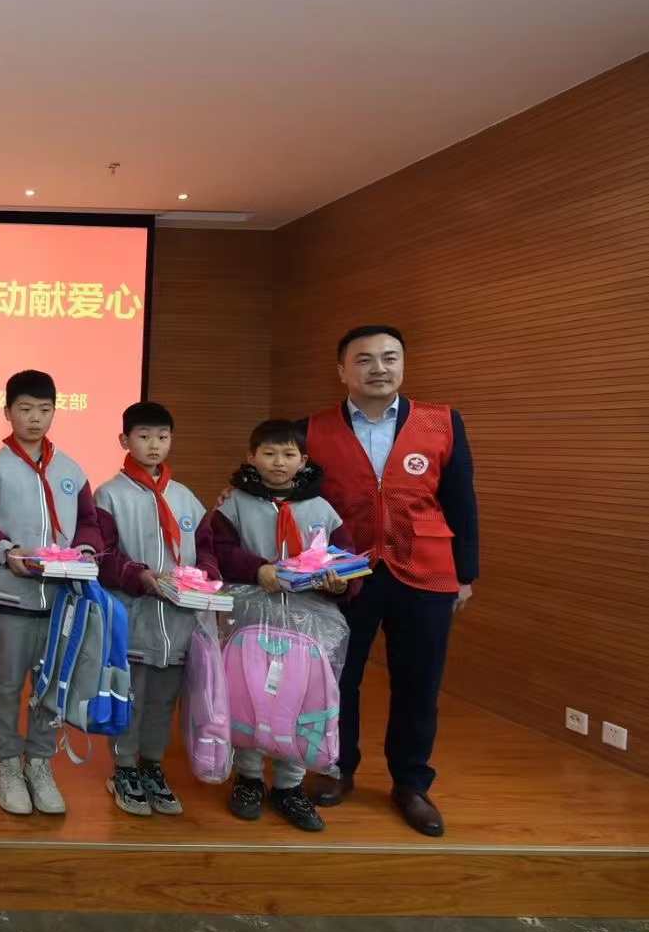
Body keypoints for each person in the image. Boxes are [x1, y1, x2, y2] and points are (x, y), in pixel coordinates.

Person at [299, 326, 479, 837]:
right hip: (343, 574)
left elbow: (461, 499)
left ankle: (411, 783)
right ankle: (337, 768)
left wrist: (465, 573)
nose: (378, 368)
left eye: (390, 357)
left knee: (419, 683)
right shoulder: (310, 430)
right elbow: (288, 493)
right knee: (338, 678)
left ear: (402, 364)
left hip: (425, 570)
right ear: (342, 371)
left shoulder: (442, 423)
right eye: (364, 359)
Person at [203, 418, 360, 831]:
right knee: (249, 694)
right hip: (250, 618)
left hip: (308, 622)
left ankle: (290, 785)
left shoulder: (322, 509)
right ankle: (249, 777)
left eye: (289, 454)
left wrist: (341, 582)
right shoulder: (234, 504)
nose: (279, 462)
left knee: (301, 699)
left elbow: (345, 560)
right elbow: (218, 551)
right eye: (269, 453)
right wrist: (258, 570)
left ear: (303, 460)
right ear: (251, 457)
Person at [0, 369, 106, 817]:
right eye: (25, 409)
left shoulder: (71, 470)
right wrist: (7, 551)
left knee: (52, 686)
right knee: (7, 686)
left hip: (62, 603)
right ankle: (7, 763)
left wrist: (85, 550)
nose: (35, 418)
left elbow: (89, 523)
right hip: (11, 600)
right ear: (7, 412)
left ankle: (40, 762)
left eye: (44, 410)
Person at [93, 402, 219, 819]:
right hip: (134, 618)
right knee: (130, 697)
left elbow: (207, 550)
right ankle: (124, 768)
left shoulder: (186, 498)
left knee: (164, 701)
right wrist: (141, 576)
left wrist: (204, 577)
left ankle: (152, 766)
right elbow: (104, 556)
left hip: (179, 623)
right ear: (124, 440)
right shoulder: (109, 495)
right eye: (144, 436)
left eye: (162, 437)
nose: (153, 445)